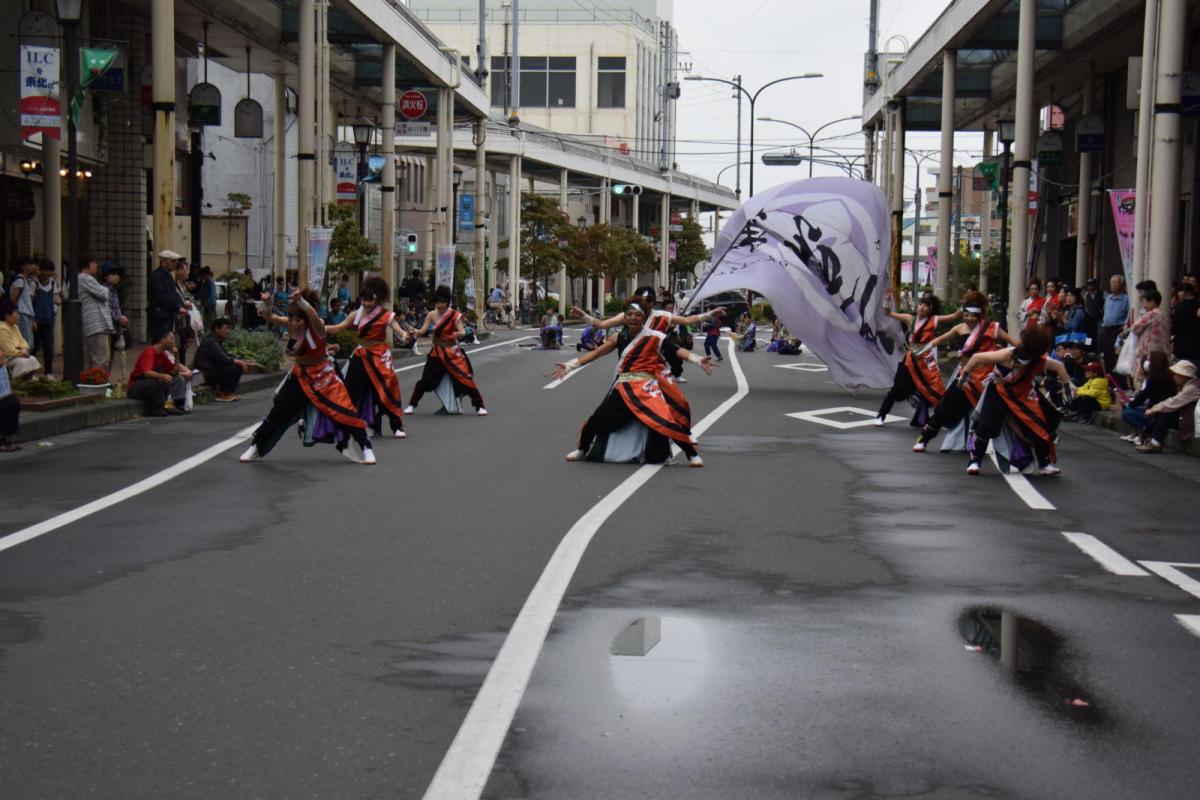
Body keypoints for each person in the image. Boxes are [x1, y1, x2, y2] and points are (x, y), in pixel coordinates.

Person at [553, 297, 713, 466]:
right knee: (595, 420)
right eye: (629, 314)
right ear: (624, 317)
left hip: (647, 388)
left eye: (637, 314)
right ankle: (582, 449)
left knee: (665, 420)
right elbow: (596, 353)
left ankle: (691, 454)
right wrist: (570, 365)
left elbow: (677, 350)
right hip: (624, 388)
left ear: (643, 317)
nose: (633, 318)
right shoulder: (618, 337)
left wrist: (698, 359)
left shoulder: (655, 337)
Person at [241, 289, 375, 464]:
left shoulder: (317, 326)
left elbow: (312, 315)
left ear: (305, 318)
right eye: (292, 319)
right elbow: (269, 316)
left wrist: (302, 302)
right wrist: (267, 304)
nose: (294, 323)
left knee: (344, 409)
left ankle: (366, 447)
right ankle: (256, 446)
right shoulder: (290, 324)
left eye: (298, 320)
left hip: (322, 373)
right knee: (279, 410)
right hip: (300, 374)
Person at [913, 290, 1021, 452]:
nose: (969, 319)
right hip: (966, 377)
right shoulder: (959, 328)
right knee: (944, 409)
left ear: (979, 316)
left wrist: (1028, 354)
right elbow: (941, 339)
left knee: (997, 415)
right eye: (966, 315)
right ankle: (924, 438)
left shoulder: (991, 328)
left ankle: (1012, 449)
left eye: (973, 316)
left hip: (987, 379)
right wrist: (924, 349)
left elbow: (1014, 343)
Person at [960, 325, 1072, 476]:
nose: (1019, 365)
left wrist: (1067, 390)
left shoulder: (1039, 360)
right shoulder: (1006, 354)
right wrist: (964, 375)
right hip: (998, 391)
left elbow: (1059, 367)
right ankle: (974, 461)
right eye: (1018, 362)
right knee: (985, 425)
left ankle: (1044, 464)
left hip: (1022, 393)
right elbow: (976, 357)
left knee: (1039, 426)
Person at [326, 277, 411, 438]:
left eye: (369, 300)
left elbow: (399, 330)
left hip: (379, 355)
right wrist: (319, 326)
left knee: (387, 389)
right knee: (350, 389)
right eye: (363, 300)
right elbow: (338, 328)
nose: (365, 304)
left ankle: (396, 426)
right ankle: (345, 424)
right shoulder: (356, 314)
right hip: (362, 354)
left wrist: (406, 336)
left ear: (376, 299)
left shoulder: (386, 315)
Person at [875, 292, 961, 426]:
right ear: (916, 306)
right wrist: (886, 300)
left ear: (930, 310)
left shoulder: (934, 320)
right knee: (896, 389)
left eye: (925, 306)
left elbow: (955, 316)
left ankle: (943, 420)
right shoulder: (910, 319)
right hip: (910, 359)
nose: (921, 307)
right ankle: (881, 415)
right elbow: (888, 313)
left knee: (934, 390)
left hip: (925, 360)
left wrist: (965, 305)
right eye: (920, 304)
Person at [404, 285, 487, 416]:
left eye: (442, 302)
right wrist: (414, 331)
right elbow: (423, 330)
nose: (439, 305)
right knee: (425, 380)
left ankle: (479, 406)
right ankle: (411, 405)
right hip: (436, 352)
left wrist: (456, 334)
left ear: (448, 302)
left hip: (452, 352)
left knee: (464, 378)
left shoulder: (455, 315)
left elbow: (462, 331)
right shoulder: (431, 314)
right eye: (437, 301)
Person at [1135, 360, 1200, 453]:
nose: (1174, 376)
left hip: (1190, 420)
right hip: (1188, 416)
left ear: (1184, 376)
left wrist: (1153, 409)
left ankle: (1155, 443)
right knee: (1163, 414)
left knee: (1165, 417)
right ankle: (1152, 439)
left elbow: (1173, 402)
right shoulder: (1190, 385)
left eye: (1176, 374)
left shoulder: (1192, 388)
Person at [127, 329, 191, 417]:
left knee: (177, 379)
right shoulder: (149, 352)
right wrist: (161, 375)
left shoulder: (162, 354)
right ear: (163, 339)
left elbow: (174, 372)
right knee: (157, 381)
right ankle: (157, 408)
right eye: (171, 338)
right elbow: (146, 372)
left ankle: (176, 404)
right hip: (136, 386)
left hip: (153, 384)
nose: (173, 342)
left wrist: (176, 355)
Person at [1120, 351, 1175, 444]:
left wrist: (1129, 403)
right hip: (1156, 408)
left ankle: (1145, 432)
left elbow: (1144, 395)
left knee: (1127, 413)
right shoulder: (1166, 375)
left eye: (1149, 359)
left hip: (1156, 410)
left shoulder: (1156, 377)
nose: (1147, 362)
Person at [193, 318, 247, 402]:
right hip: (205, 373)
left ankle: (228, 393)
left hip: (213, 370)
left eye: (229, 328)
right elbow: (222, 358)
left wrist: (238, 360)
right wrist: (238, 361)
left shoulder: (216, 340)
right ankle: (223, 393)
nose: (228, 331)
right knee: (233, 367)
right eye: (225, 328)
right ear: (217, 329)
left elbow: (225, 355)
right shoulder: (211, 341)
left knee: (236, 366)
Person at [77, 257, 113, 374]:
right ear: (90, 264)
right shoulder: (86, 278)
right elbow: (104, 294)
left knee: (89, 358)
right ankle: (98, 385)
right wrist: (105, 289)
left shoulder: (78, 279)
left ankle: (88, 384)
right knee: (101, 358)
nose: (96, 267)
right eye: (95, 264)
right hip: (96, 323)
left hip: (89, 324)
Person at [1128, 288, 1170, 385]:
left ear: (1152, 301)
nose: (1143, 305)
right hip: (1162, 350)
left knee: (1144, 377)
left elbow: (1135, 327)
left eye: (1144, 301)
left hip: (1148, 350)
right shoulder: (1163, 314)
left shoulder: (1151, 314)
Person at [148, 250, 186, 342]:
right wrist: (178, 307)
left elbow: (174, 293)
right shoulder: (156, 276)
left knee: (167, 341)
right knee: (161, 341)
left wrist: (182, 304)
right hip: (159, 315)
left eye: (175, 262)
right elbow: (163, 296)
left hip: (167, 314)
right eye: (173, 261)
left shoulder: (167, 275)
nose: (175, 264)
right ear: (164, 261)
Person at [32, 259, 59, 375]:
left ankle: (49, 372)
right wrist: (32, 319)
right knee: (35, 345)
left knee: (49, 347)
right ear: (40, 270)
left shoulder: (53, 283)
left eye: (50, 270)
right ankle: (29, 371)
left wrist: (55, 308)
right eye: (46, 270)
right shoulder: (34, 283)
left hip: (49, 319)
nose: (48, 273)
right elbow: (30, 301)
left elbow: (58, 298)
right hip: (37, 320)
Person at [1, 300, 40, 379]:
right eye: (16, 313)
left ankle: (27, 382)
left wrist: (24, 349)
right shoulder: (2, 328)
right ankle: (15, 383)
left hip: (17, 354)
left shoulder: (14, 326)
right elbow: (9, 350)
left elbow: (22, 341)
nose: (18, 315)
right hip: (5, 358)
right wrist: (21, 353)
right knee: (23, 362)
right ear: (7, 315)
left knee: (32, 359)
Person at [1098, 274, 1130, 373]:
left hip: (1118, 331)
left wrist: (1124, 326)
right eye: (1112, 282)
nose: (1113, 285)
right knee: (1107, 356)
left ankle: (1117, 380)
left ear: (1121, 285)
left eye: (1116, 282)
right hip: (1106, 330)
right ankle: (1109, 378)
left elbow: (1129, 315)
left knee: (1117, 356)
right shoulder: (1108, 298)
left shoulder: (1126, 299)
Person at [102, 263, 130, 369]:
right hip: (107, 328)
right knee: (106, 356)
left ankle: (106, 378)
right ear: (105, 276)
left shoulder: (113, 290)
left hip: (114, 327)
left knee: (111, 355)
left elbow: (115, 308)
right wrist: (119, 317)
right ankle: (104, 379)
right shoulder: (104, 289)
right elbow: (106, 308)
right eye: (112, 274)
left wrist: (120, 317)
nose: (116, 277)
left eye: (117, 274)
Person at [8, 256, 38, 345]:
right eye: (29, 264)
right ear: (22, 266)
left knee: (29, 343)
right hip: (22, 314)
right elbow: (13, 299)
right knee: (26, 343)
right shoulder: (20, 280)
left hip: (26, 314)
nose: (32, 266)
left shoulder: (25, 280)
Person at [1171, 281, 1200, 361]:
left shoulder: (1181, 307)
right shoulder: (1197, 304)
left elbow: (1176, 327)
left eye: (1181, 291)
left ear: (1188, 293)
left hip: (1183, 344)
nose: (1179, 294)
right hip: (1196, 344)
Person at [0, 348, 22, 452]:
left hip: (5, 397)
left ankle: (5, 440)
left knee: (12, 402)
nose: (2, 354)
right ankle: (4, 441)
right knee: (10, 404)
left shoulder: (3, 364)